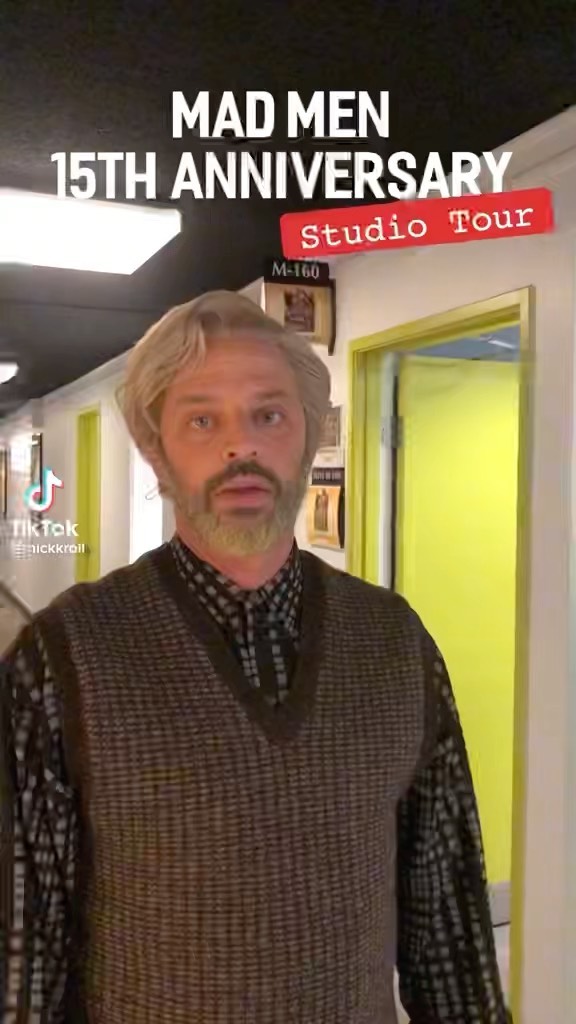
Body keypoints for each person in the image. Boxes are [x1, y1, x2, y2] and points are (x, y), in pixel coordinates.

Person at [0, 290, 511, 1023]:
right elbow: (24, 947)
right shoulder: (63, 657)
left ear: (307, 435)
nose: (239, 447)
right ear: (155, 449)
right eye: (202, 420)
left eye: (268, 415)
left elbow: (449, 927)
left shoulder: (396, 644)